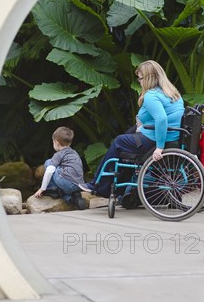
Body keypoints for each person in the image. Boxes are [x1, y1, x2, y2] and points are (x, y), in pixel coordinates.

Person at [85, 60, 185, 197]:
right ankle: (117, 189)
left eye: (141, 78)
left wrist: (159, 148)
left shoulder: (152, 96)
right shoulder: (173, 93)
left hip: (156, 141)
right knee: (130, 133)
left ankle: (98, 185)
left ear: (149, 78)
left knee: (119, 142)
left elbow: (162, 119)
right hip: (173, 136)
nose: (139, 81)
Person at [34, 126, 87, 210]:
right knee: (60, 170)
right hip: (79, 185)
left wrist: (42, 188)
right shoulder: (74, 153)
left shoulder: (58, 154)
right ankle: (72, 197)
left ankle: (52, 189)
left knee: (49, 163)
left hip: (67, 184)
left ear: (56, 142)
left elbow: (49, 171)